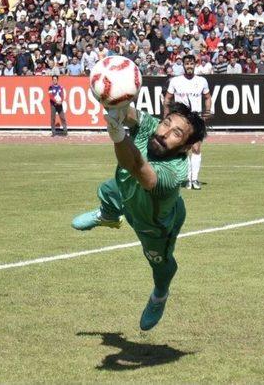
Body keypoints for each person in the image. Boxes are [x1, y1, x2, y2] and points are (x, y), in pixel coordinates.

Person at [71, 100, 207, 331]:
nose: (164, 133)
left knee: (161, 265)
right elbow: (131, 115)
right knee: (108, 189)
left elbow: (135, 165)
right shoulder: (154, 129)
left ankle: (159, 296)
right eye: (166, 123)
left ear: (185, 147)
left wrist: (118, 135)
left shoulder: (173, 174)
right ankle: (108, 215)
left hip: (153, 224)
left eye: (176, 133)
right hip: (129, 193)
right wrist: (114, 103)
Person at [163, 54, 212, 190]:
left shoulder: (202, 81)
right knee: (182, 149)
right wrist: (166, 117)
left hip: (196, 119)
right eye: (187, 64)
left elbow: (207, 97)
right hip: (180, 119)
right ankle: (186, 179)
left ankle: (194, 179)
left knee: (196, 148)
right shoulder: (175, 81)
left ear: (195, 65)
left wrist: (206, 113)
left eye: (191, 64)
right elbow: (167, 99)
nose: (189, 66)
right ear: (183, 65)